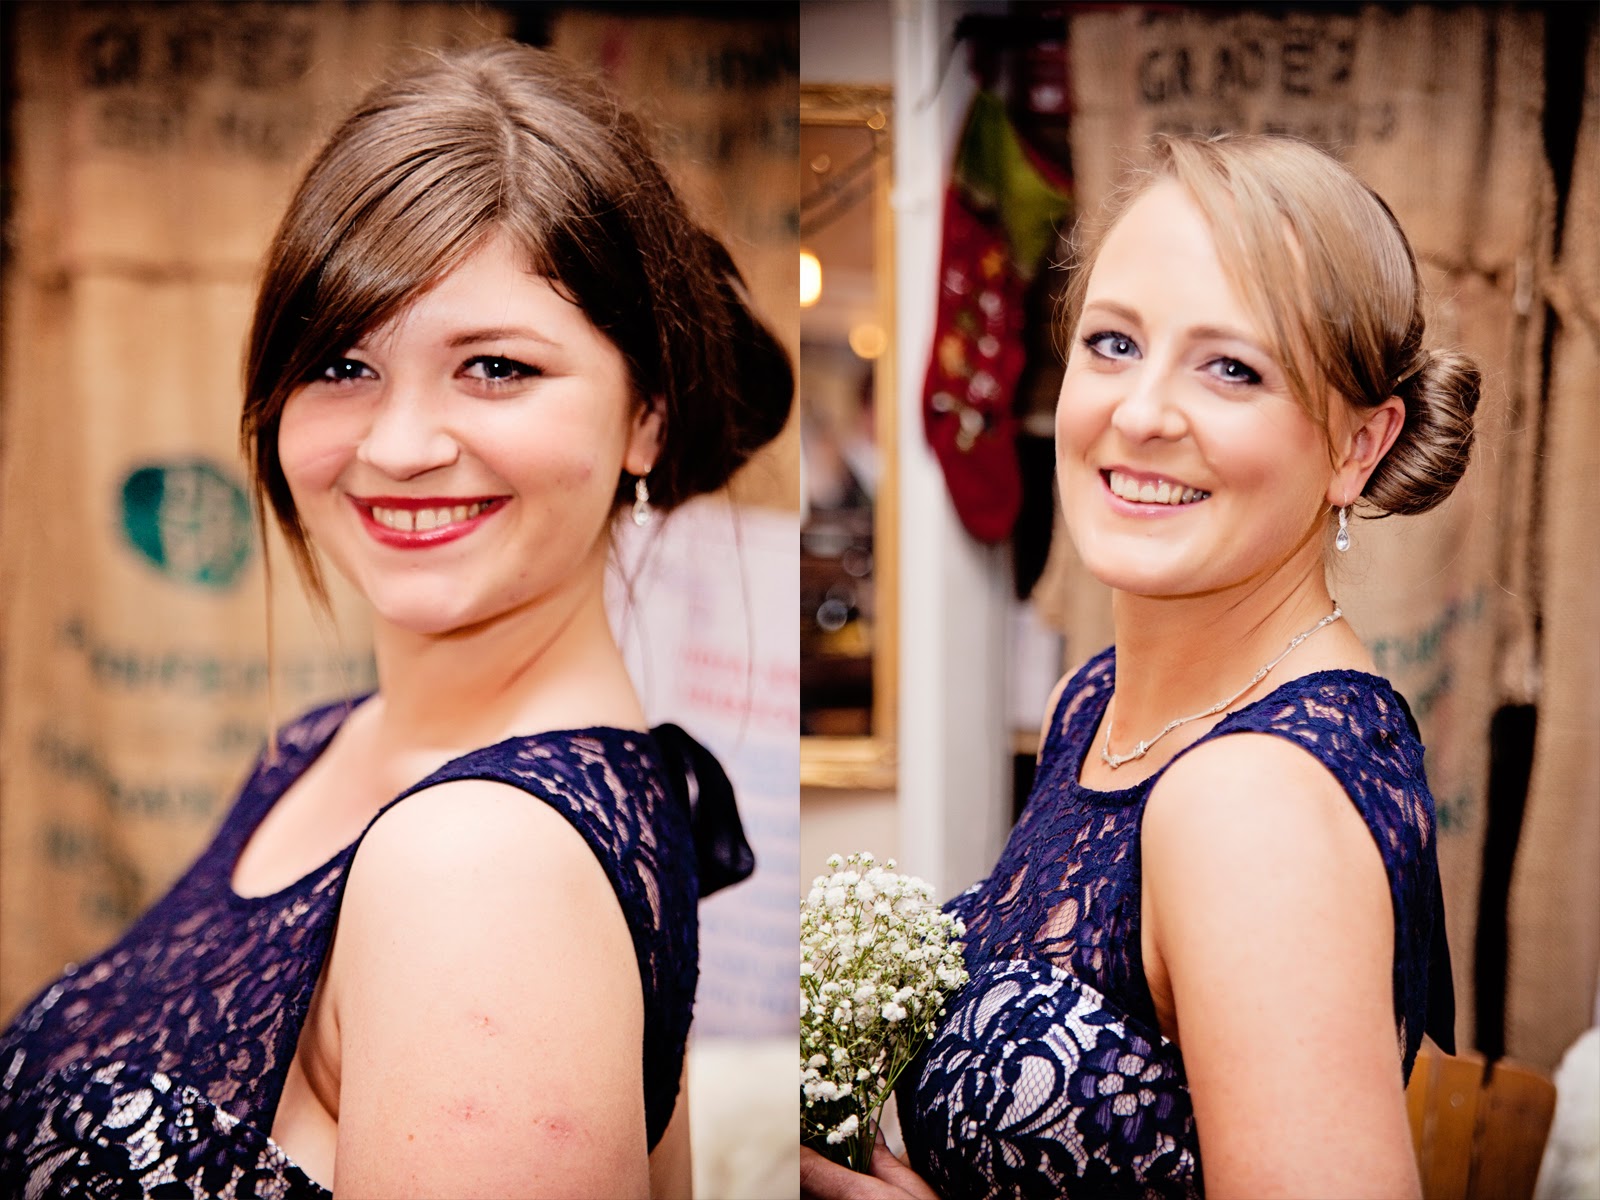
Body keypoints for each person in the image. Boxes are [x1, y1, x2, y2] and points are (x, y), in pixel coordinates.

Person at [0, 41, 791, 1199]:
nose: (400, 446)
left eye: (496, 367)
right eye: (342, 364)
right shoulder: (329, 743)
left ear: (646, 420)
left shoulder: (488, 867)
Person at [801, 132, 1471, 1199]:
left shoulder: (1251, 802)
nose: (1142, 412)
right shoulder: (1097, 700)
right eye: (1113, 344)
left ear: (1359, 446)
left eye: (1232, 368)